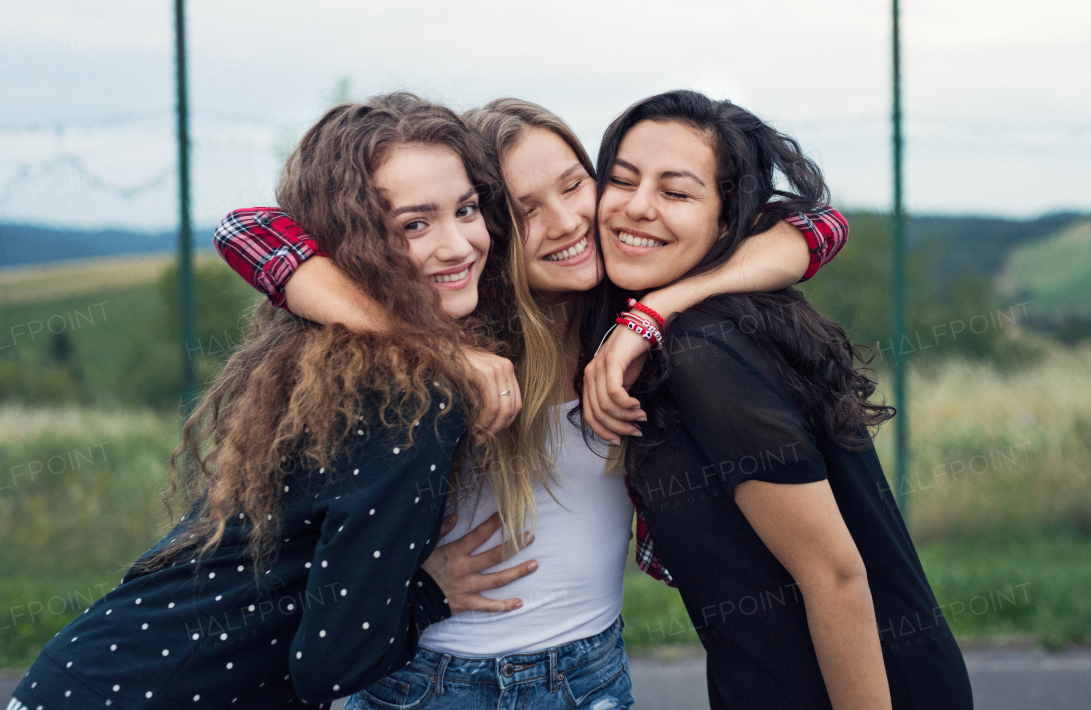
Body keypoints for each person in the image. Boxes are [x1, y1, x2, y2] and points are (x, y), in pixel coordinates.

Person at [210, 96, 849, 709]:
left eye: (574, 186)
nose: (567, 222)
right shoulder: (452, 329)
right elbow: (246, 231)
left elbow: (821, 225)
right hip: (429, 684)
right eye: (525, 210)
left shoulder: (624, 314)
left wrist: (656, 311)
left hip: (589, 678)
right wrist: (428, 347)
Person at [8, 93, 526, 709]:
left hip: (82, 677)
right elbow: (332, 664)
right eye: (414, 224)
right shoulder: (412, 401)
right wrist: (430, 594)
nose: (459, 244)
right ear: (349, 243)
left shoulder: (337, 358)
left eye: (465, 209)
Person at [579, 90, 974, 710]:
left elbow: (836, 577)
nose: (636, 207)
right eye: (621, 181)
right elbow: (818, 228)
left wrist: (659, 311)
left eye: (676, 192)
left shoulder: (706, 347)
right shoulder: (673, 326)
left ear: (727, 221)